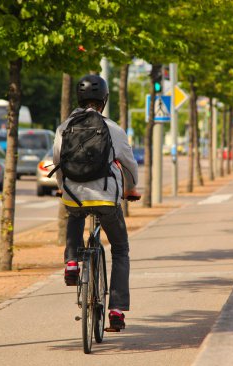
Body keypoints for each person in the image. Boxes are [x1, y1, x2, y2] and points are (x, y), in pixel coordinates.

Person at [53, 74, 141, 330]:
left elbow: (58, 163)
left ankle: (71, 262)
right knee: (121, 249)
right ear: (104, 100)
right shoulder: (113, 128)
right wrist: (131, 189)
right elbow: (129, 165)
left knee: (74, 212)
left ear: (79, 98)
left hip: (74, 194)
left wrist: (63, 189)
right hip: (105, 196)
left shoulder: (64, 127)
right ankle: (115, 310)